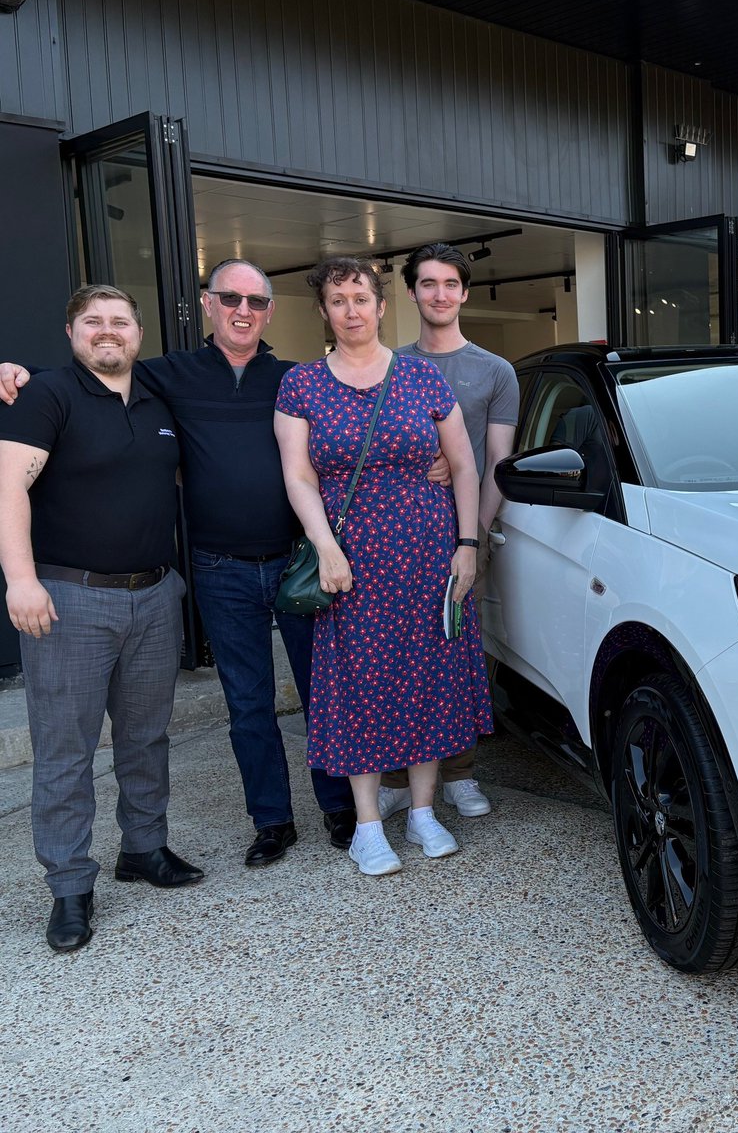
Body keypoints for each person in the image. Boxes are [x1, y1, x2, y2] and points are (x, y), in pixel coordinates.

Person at [0, 259, 360, 868]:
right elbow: (96, 371)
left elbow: (356, 428)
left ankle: (341, 809)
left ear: (269, 312)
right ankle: (272, 821)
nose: (242, 311)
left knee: (325, 692)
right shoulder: (172, 374)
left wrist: (431, 462)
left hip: (297, 562)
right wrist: (20, 373)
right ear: (208, 305)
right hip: (219, 568)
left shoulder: (297, 378)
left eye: (255, 302)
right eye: (230, 299)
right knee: (248, 704)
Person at [0, 285, 203, 952]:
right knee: (66, 750)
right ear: (71, 331)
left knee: (146, 737)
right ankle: (69, 886)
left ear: (140, 334)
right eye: (95, 322)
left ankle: (144, 848)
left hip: (153, 595)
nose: (108, 331)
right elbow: (8, 489)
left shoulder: (157, 400)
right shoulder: (47, 395)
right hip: (71, 600)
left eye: (120, 321)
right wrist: (21, 581)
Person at [274, 256, 493, 875]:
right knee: (359, 683)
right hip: (352, 562)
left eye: (361, 298)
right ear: (324, 310)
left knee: (427, 675)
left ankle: (423, 811)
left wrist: (467, 545)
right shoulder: (303, 385)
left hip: (429, 555)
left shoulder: (422, 377)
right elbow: (297, 475)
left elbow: (466, 465)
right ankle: (368, 824)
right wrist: (325, 546)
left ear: (380, 306)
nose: (351, 310)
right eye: (338, 300)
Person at [375, 242, 519, 824]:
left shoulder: (494, 371)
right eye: (428, 284)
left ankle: (459, 771)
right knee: (390, 653)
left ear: (463, 292)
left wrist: (475, 537)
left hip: (459, 533)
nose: (439, 294)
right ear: (411, 293)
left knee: (456, 652)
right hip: (391, 536)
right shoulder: (385, 367)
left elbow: (496, 462)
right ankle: (392, 776)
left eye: (450, 284)